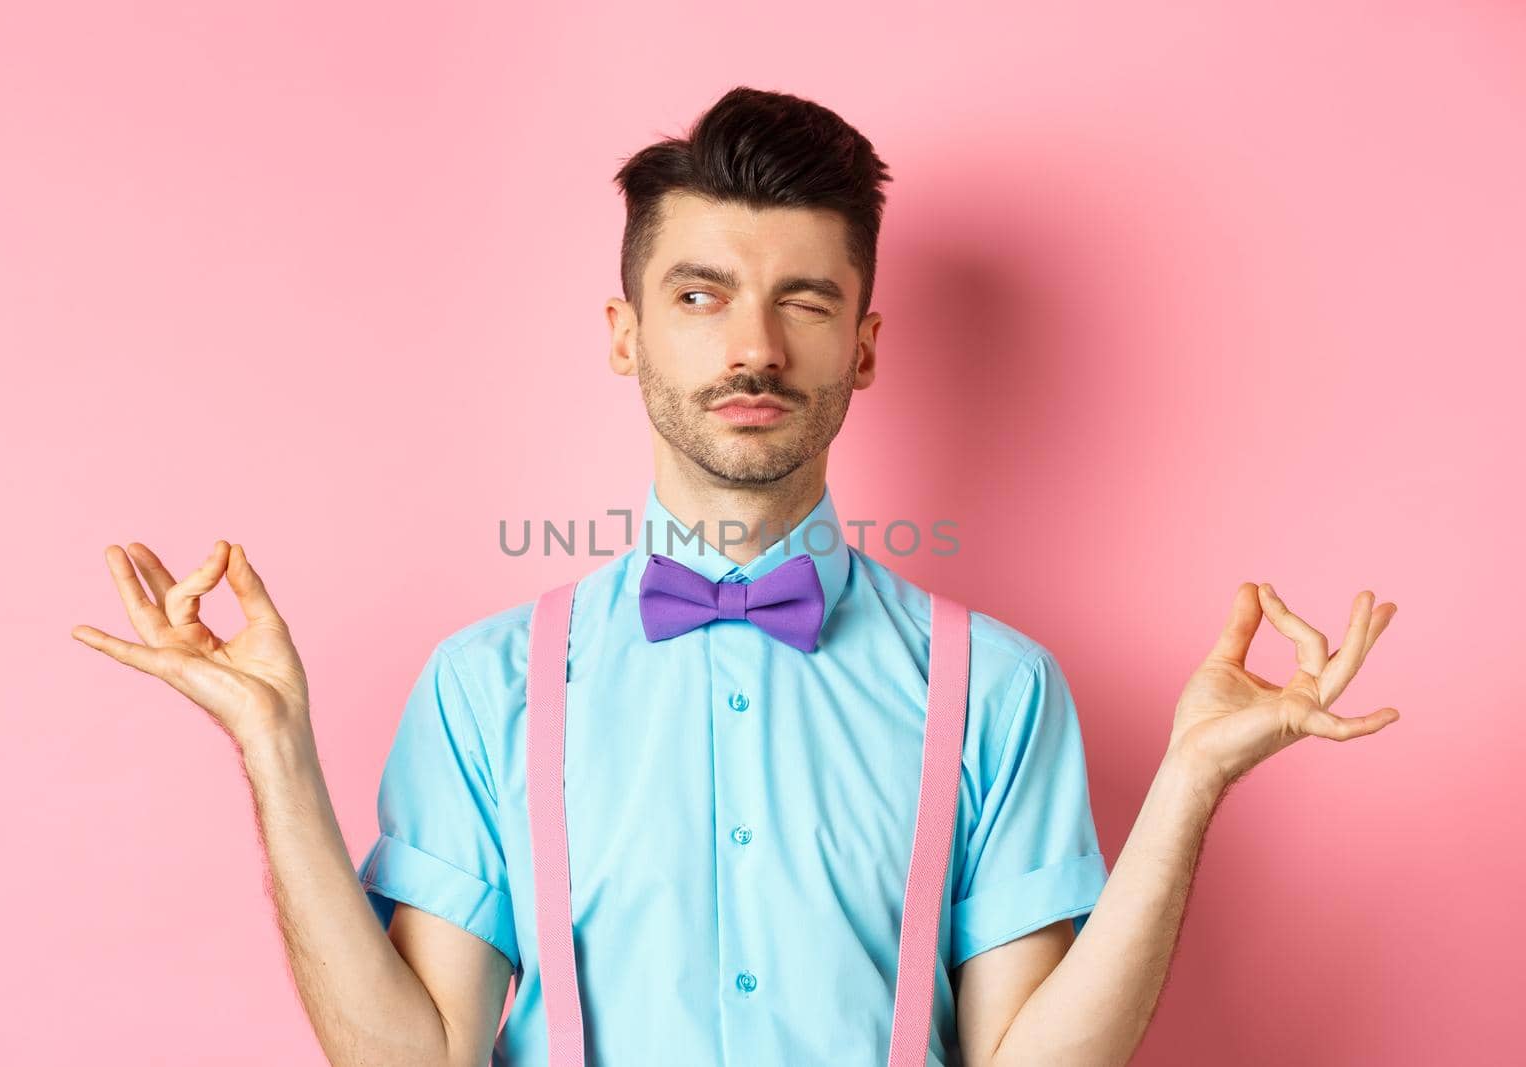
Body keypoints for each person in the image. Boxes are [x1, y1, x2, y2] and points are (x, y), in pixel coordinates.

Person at [71, 86, 1401, 1067]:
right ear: (624, 330)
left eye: (806, 301)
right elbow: (411, 1060)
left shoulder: (998, 687)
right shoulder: (484, 686)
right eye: (701, 296)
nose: (753, 347)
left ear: (865, 347)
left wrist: (1189, 788)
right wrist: (274, 747)